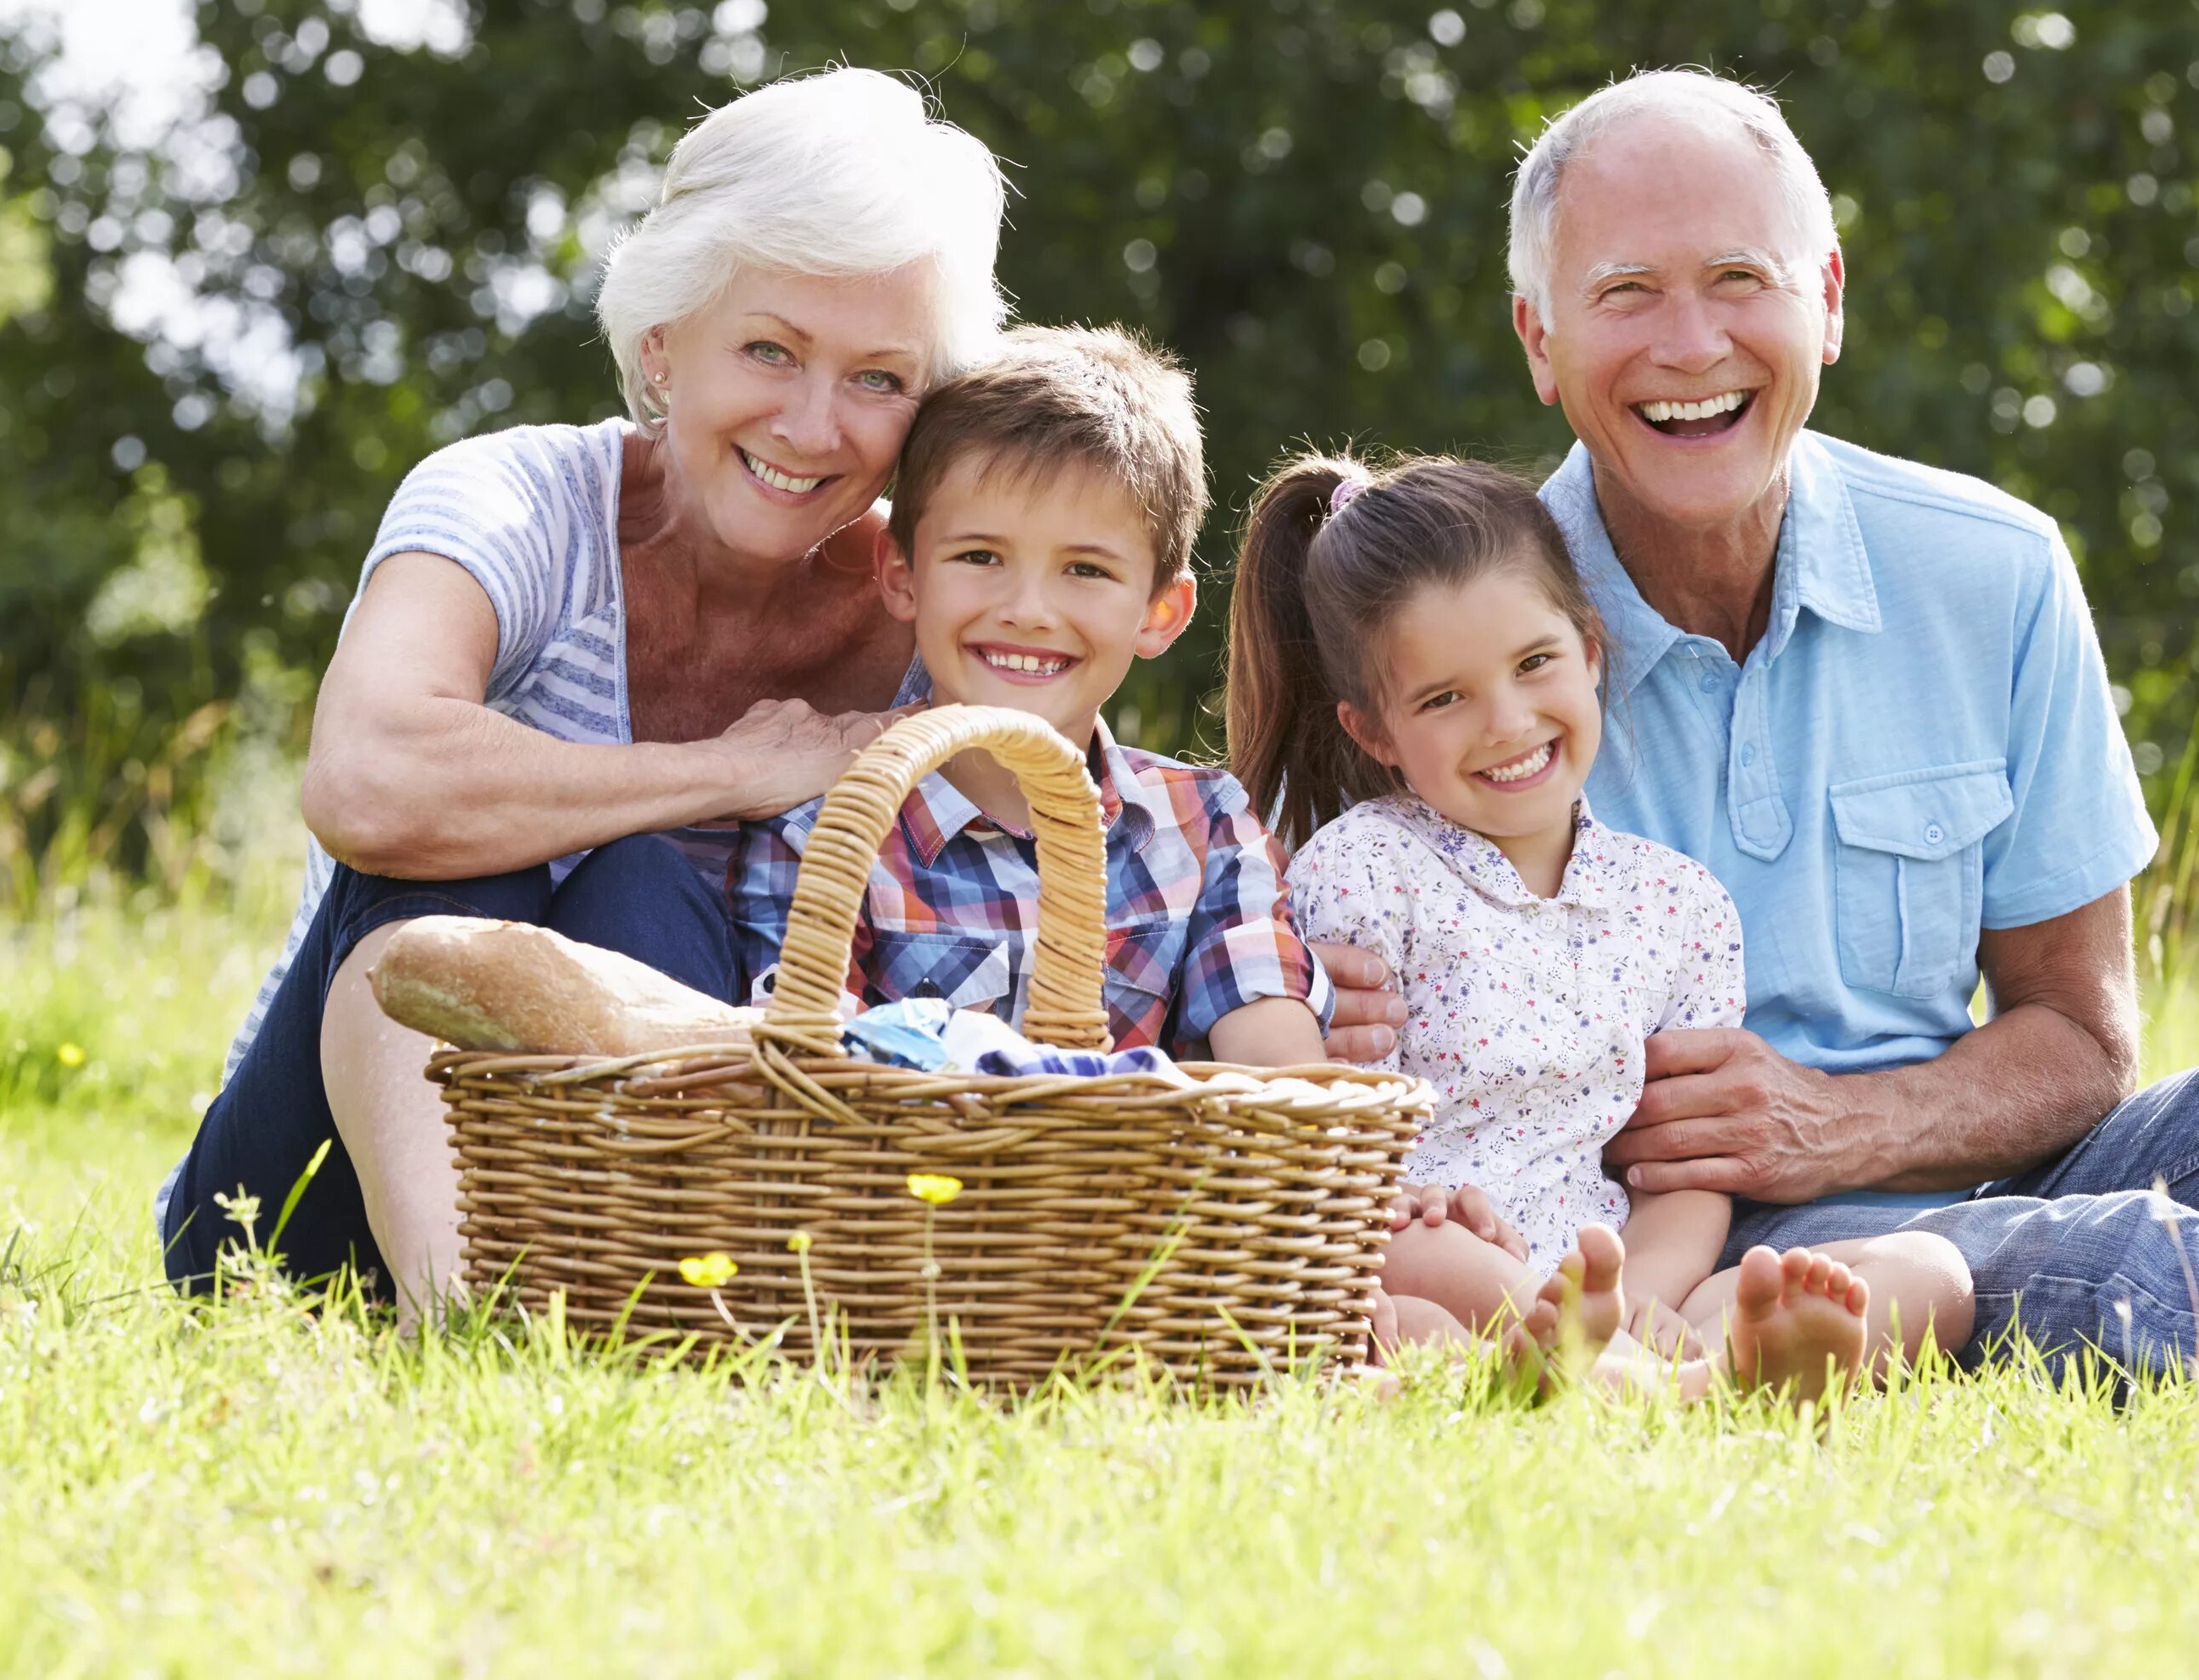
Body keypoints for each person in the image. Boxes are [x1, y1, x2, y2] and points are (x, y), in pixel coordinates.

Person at [1334, 64, 2199, 1395]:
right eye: (1626, 292)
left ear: (1827, 303)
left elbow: (2084, 1039)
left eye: (1741, 279)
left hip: (1993, 1176)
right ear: (1539, 339)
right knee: (2121, 1258)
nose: (1690, 344)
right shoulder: (1467, 654)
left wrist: (1837, 1124)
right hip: (1701, 1266)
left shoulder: (1994, 569)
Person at [159, 68, 1007, 1308]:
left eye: (880, 379)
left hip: (685, 1222)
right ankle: (470, 1324)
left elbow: (1071, 844)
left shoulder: (932, 603)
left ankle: (610, 1309)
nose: (817, 427)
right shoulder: (511, 499)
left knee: (644, 878)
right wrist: (731, 770)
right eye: (769, 349)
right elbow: (369, 778)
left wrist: (1308, 976)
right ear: (662, 347)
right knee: (462, 855)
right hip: (296, 1221)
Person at [1234, 451, 1975, 1400]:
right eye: (1444, 698)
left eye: (1534, 663)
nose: (1505, 721)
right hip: (1436, 1247)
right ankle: (1655, 1386)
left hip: (1604, 1270)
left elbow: (1684, 1175)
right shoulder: (1365, 869)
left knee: (1933, 1276)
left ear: (1590, 650)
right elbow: (1333, 1136)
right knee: (1399, 1284)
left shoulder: (1678, 905)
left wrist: (1639, 1298)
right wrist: (1430, 1225)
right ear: (1376, 731)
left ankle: (1643, 1368)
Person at [727, 325, 1330, 1058]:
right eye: (981, 556)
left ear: (1160, 611)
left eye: (1086, 570)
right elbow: (809, 1081)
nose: (1029, 609)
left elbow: (1277, 1078)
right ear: (901, 577)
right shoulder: (827, 831)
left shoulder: (1205, 829)